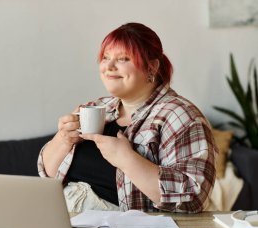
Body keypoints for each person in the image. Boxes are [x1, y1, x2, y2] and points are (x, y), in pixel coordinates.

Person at [37, 22, 216, 213]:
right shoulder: (95, 108)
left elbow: (195, 196)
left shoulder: (180, 116)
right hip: (61, 219)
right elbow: (47, 174)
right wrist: (62, 140)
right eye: (105, 58)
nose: (109, 67)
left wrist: (127, 160)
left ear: (151, 67)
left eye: (122, 59)